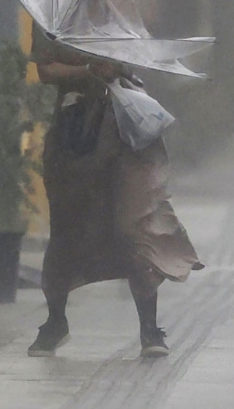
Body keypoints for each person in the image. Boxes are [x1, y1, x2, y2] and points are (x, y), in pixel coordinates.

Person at [26, 26, 203, 358]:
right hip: (77, 129)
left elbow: (139, 54)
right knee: (67, 228)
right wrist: (88, 70)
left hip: (128, 127)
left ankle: (149, 328)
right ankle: (55, 322)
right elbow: (46, 70)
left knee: (134, 222)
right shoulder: (51, 12)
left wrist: (119, 65)